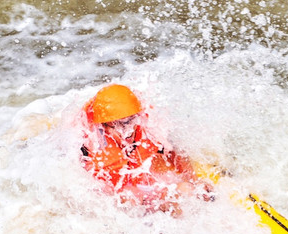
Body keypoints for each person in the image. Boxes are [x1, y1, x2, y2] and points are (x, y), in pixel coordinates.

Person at [79, 83, 210, 213]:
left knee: (186, 189)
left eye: (130, 121)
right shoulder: (89, 143)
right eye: (119, 125)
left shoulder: (150, 127)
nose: (127, 131)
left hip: (145, 184)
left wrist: (194, 180)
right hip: (121, 196)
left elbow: (175, 151)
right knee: (128, 198)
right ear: (104, 126)